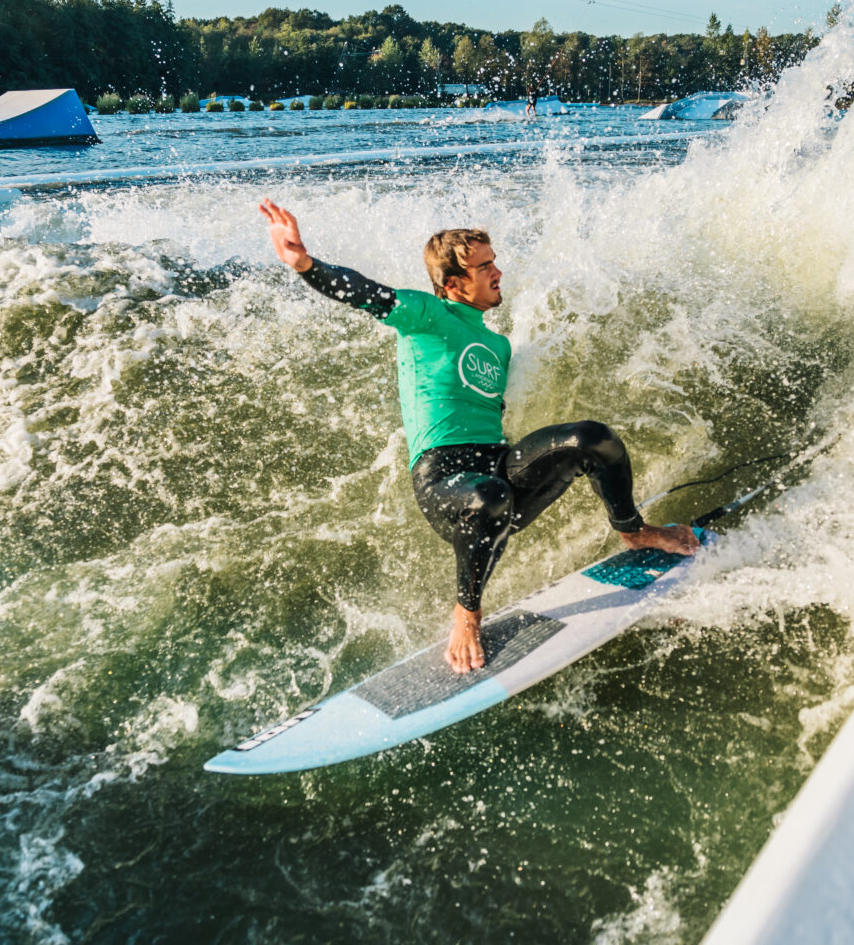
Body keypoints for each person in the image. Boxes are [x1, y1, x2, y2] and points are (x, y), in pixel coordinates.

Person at [256, 199, 698, 674]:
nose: (498, 272)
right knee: (488, 497)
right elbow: (366, 293)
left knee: (592, 438)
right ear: (453, 284)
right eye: (484, 267)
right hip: (446, 481)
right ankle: (466, 614)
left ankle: (634, 532)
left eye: (494, 262)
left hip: (498, 464)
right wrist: (305, 264)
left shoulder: (498, 344)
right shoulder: (424, 313)